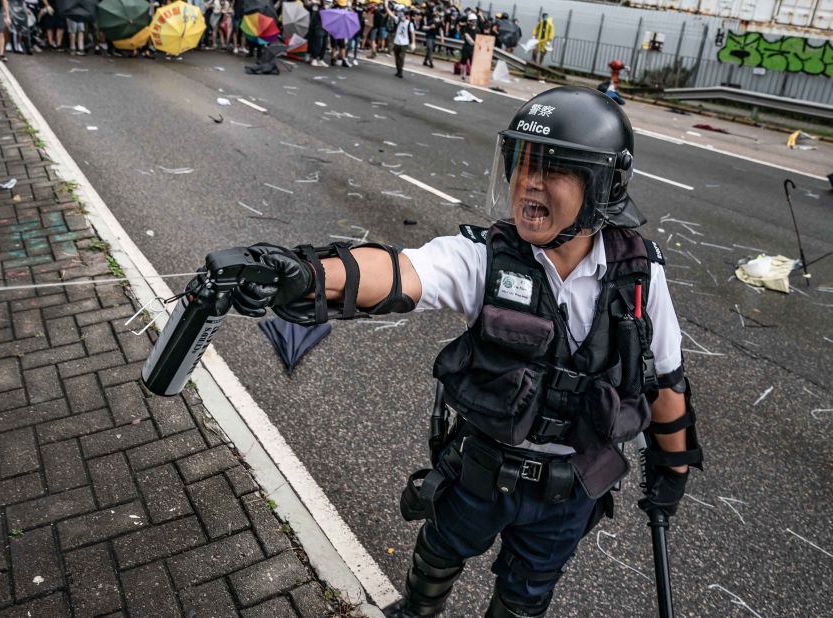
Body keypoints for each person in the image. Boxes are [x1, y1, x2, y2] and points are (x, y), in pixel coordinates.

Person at [223, 86, 703, 618]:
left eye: (554, 169)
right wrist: (305, 275)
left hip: (571, 492)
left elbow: (665, 382)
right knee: (438, 554)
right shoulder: (486, 258)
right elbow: (402, 272)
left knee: (527, 595)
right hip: (481, 473)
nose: (529, 182)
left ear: (604, 186)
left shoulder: (640, 275)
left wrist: (672, 470)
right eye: (522, 162)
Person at [386, 1, 413, 78]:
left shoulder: (409, 23)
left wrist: (413, 42)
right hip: (397, 42)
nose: (401, 15)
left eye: (403, 13)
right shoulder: (398, 20)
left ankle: (400, 71)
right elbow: (391, 14)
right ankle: (398, 70)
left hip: (405, 43)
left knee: (401, 57)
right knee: (397, 57)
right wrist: (387, 7)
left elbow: (412, 33)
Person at [458, 11, 475, 81]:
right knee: (463, 62)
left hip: (473, 49)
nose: (472, 22)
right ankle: (463, 74)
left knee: (472, 63)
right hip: (466, 47)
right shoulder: (465, 28)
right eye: (471, 21)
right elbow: (466, 36)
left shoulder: (477, 29)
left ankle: (471, 75)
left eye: (473, 21)